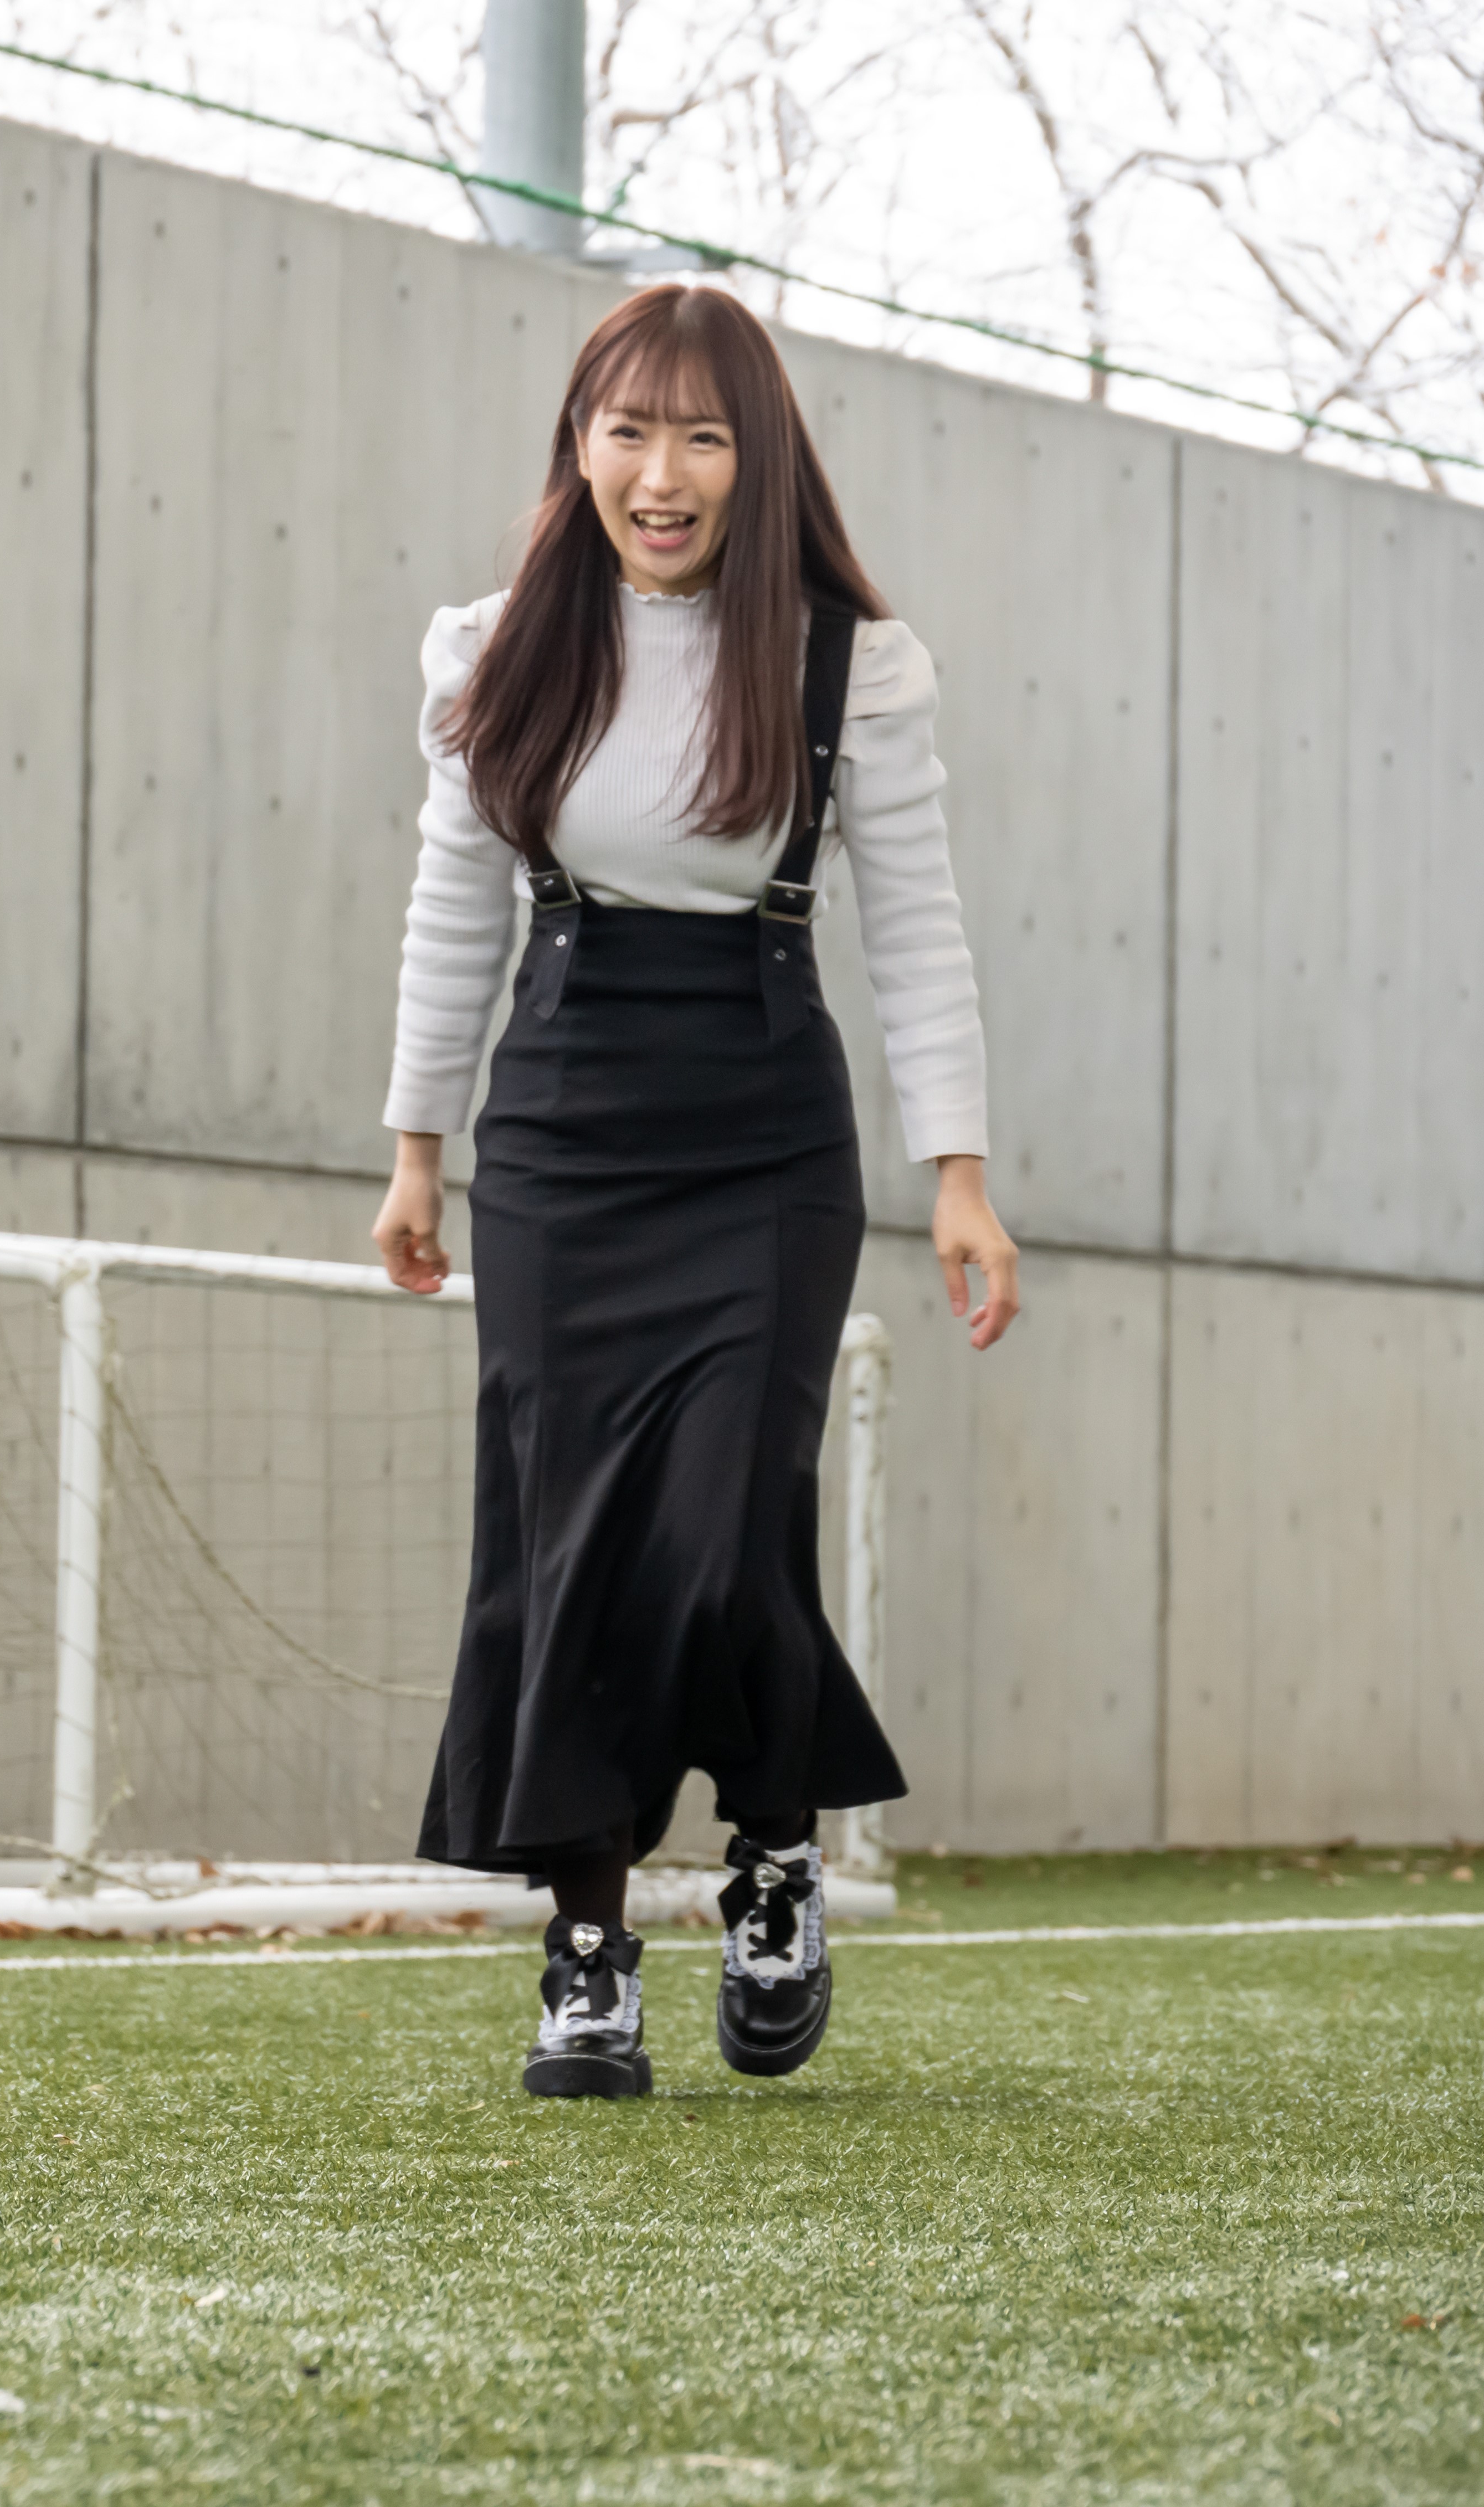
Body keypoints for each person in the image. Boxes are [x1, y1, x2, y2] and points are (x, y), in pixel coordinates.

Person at [369, 281, 1020, 2102]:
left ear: (757, 458)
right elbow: (450, 911)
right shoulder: (492, 651)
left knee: (723, 1511)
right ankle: (585, 1954)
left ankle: (770, 1846)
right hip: (560, 1126)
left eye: (701, 435)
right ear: (574, 446)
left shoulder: (840, 667)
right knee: (567, 1531)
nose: (659, 474)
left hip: (761, 1128)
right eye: (625, 430)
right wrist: (415, 1152)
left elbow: (915, 930)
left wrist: (956, 1175)